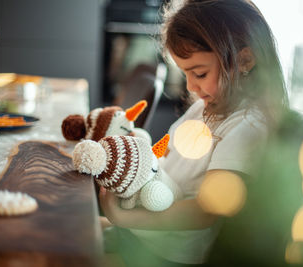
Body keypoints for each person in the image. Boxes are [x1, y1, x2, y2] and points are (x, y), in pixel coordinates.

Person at [99, 0, 289, 266]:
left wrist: (123, 218)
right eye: (186, 74)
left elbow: (205, 211)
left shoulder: (247, 126)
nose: (190, 86)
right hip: (140, 231)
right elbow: (167, 149)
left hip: (164, 253)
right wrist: (135, 157)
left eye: (199, 73)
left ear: (244, 60)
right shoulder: (204, 107)